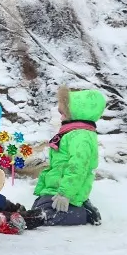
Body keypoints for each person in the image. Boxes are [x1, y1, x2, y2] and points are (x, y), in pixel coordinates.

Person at [29, 86, 106, 227]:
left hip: (66, 193)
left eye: (64, 113)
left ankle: (84, 214)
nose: (61, 116)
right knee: (37, 209)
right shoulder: (72, 133)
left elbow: (78, 167)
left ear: (78, 112)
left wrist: (65, 193)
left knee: (42, 216)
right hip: (55, 189)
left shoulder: (81, 137)